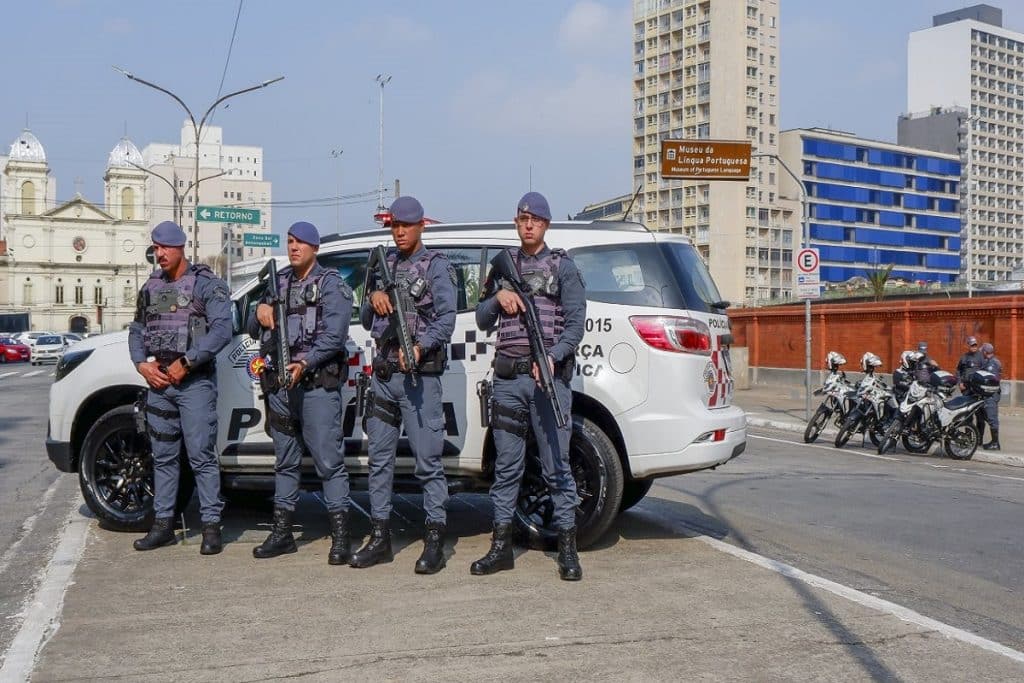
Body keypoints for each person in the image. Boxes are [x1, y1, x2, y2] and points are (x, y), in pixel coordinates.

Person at [472, 191, 586, 581]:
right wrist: (498, 297)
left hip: (547, 382)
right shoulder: (504, 268)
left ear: (546, 224)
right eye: (522, 218)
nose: (528, 224)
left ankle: (568, 550)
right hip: (508, 380)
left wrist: (552, 356)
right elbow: (482, 317)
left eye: (535, 219)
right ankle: (501, 547)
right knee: (506, 469)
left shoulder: (563, 268)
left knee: (557, 468)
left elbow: (575, 326)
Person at [350, 196, 457, 574]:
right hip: (383, 377)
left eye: (406, 226)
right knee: (380, 462)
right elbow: (365, 319)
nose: (399, 232)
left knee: (428, 464)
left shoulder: (436, 267)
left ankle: (434, 541)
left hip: (418, 378)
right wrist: (374, 296)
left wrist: (419, 346)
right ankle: (380, 537)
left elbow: (447, 321)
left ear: (420, 226)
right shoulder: (383, 265)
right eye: (394, 226)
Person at [249, 221, 355, 564]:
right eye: (290, 241)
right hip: (281, 385)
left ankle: (341, 537)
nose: (294, 247)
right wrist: (259, 311)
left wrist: (305, 363)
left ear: (315, 248)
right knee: (285, 461)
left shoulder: (331, 284)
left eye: (302, 243)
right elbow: (253, 327)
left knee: (328, 462)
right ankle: (282, 534)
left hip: (315, 384)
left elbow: (334, 336)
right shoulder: (278, 283)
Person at [128, 221, 232, 554]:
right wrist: (142, 364)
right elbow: (136, 330)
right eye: (155, 248)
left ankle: (211, 527)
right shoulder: (152, 287)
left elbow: (221, 331)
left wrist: (187, 362)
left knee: (201, 456)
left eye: (164, 248)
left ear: (180, 248)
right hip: (160, 384)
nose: (159, 254)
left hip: (194, 383)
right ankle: (163, 526)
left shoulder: (205, 284)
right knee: (163, 457)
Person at [978, 342, 1002, 451]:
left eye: (982, 351)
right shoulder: (988, 362)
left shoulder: (992, 364)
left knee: (992, 418)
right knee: (986, 416)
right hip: (988, 395)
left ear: (985, 352)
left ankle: (995, 443)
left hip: (991, 395)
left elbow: (991, 381)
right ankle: (993, 441)